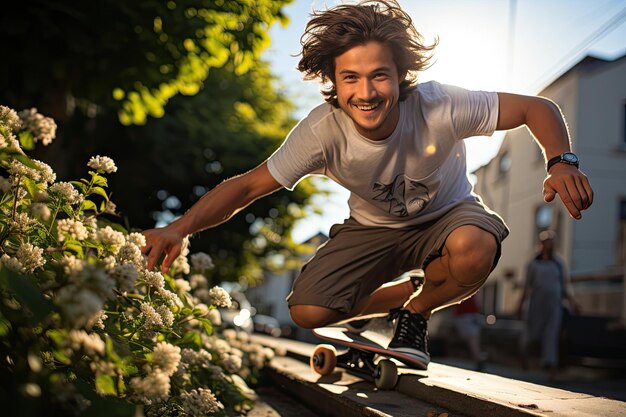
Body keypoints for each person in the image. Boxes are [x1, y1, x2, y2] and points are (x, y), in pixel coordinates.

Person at [141, 0, 593, 370]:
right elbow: (247, 187)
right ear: (334, 83)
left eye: (380, 75)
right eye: (350, 78)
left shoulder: (442, 104)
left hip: (449, 216)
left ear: (400, 76)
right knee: (308, 312)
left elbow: (537, 108)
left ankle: (415, 312)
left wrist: (562, 162)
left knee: (475, 247)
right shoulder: (321, 132)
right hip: (373, 229)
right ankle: (403, 296)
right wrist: (179, 228)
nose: (366, 92)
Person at [516, 230, 580, 380]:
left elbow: (564, 286)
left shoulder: (559, 264)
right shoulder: (533, 263)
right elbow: (527, 287)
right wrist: (520, 305)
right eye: (546, 241)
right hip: (537, 305)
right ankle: (523, 356)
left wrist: (573, 303)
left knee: (551, 335)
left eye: (552, 241)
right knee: (532, 334)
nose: (549, 244)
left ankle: (553, 370)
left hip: (554, 305)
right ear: (541, 244)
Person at [453, 293, 487, 371]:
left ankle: (478, 357)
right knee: (473, 338)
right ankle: (478, 356)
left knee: (472, 338)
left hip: (465, 314)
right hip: (473, 313)